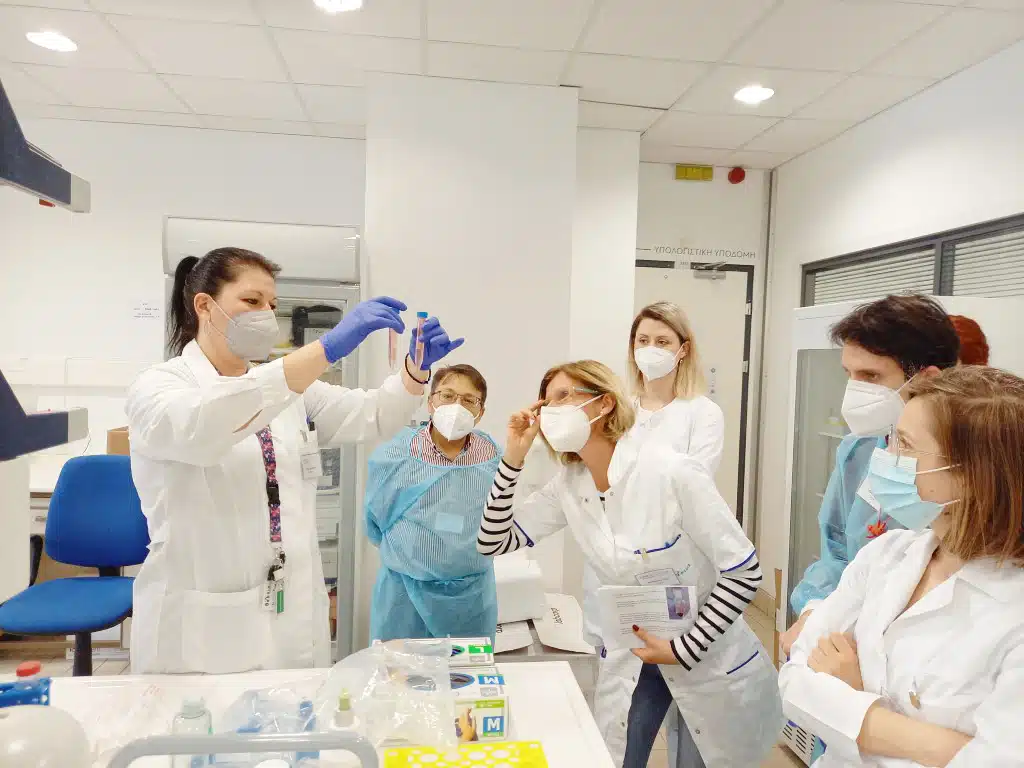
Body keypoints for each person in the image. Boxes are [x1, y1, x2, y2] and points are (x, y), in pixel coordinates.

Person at [126, 247, 463, 674]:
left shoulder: (287, 389)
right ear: (204, 306)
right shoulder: (159, 387)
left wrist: (414, 372)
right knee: (203, 730)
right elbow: (205, 425)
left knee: (296, 723)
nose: (265, 315)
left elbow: (370, 415)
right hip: (207, 611)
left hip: (290, 601)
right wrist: (325, 350)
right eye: (251, 302)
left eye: (272, 305)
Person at [476, 361, 782, 768]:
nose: (550, 411)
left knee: (699, 761)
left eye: (564, 397)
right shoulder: (569, 485)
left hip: (704, 650)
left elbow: (744, 571)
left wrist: (684, 647)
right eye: (546, 403)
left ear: (603, 404)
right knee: (620, 759)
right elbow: (492, 541)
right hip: (634, 653)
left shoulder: (671, 472)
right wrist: (512, 459)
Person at [779, 366, 1024, 767]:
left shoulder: (1013, 614)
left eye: (905, 446)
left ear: (972, 475)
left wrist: (852, 702)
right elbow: (793, 680)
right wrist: (936, 745)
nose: (885, 457)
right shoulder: (888, 553)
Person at [781, 294, 960, 656]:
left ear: (927, 380)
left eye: (871, 376)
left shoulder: (969, 468)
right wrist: (817, 611)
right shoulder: (860, 450)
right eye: (849, 374)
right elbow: (836, 547)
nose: (855, 390)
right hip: (849, 633)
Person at [365, 363, 500, 642]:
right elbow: (375, 522)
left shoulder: (494, 457)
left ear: (480, 412)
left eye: (468, 400)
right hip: (404, 596)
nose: (456, 405)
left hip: (470, 600)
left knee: (465, 681)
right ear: (430, 403)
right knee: (400, 681)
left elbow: (499, 518)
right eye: (447, 396)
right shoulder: (395, 455)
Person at [623, 301, 724, 473]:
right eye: (643, 340)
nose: (650, 348)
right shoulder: (622, 409)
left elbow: (695, 482)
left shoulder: (704, 413)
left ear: (684, 349)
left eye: (662, 342)